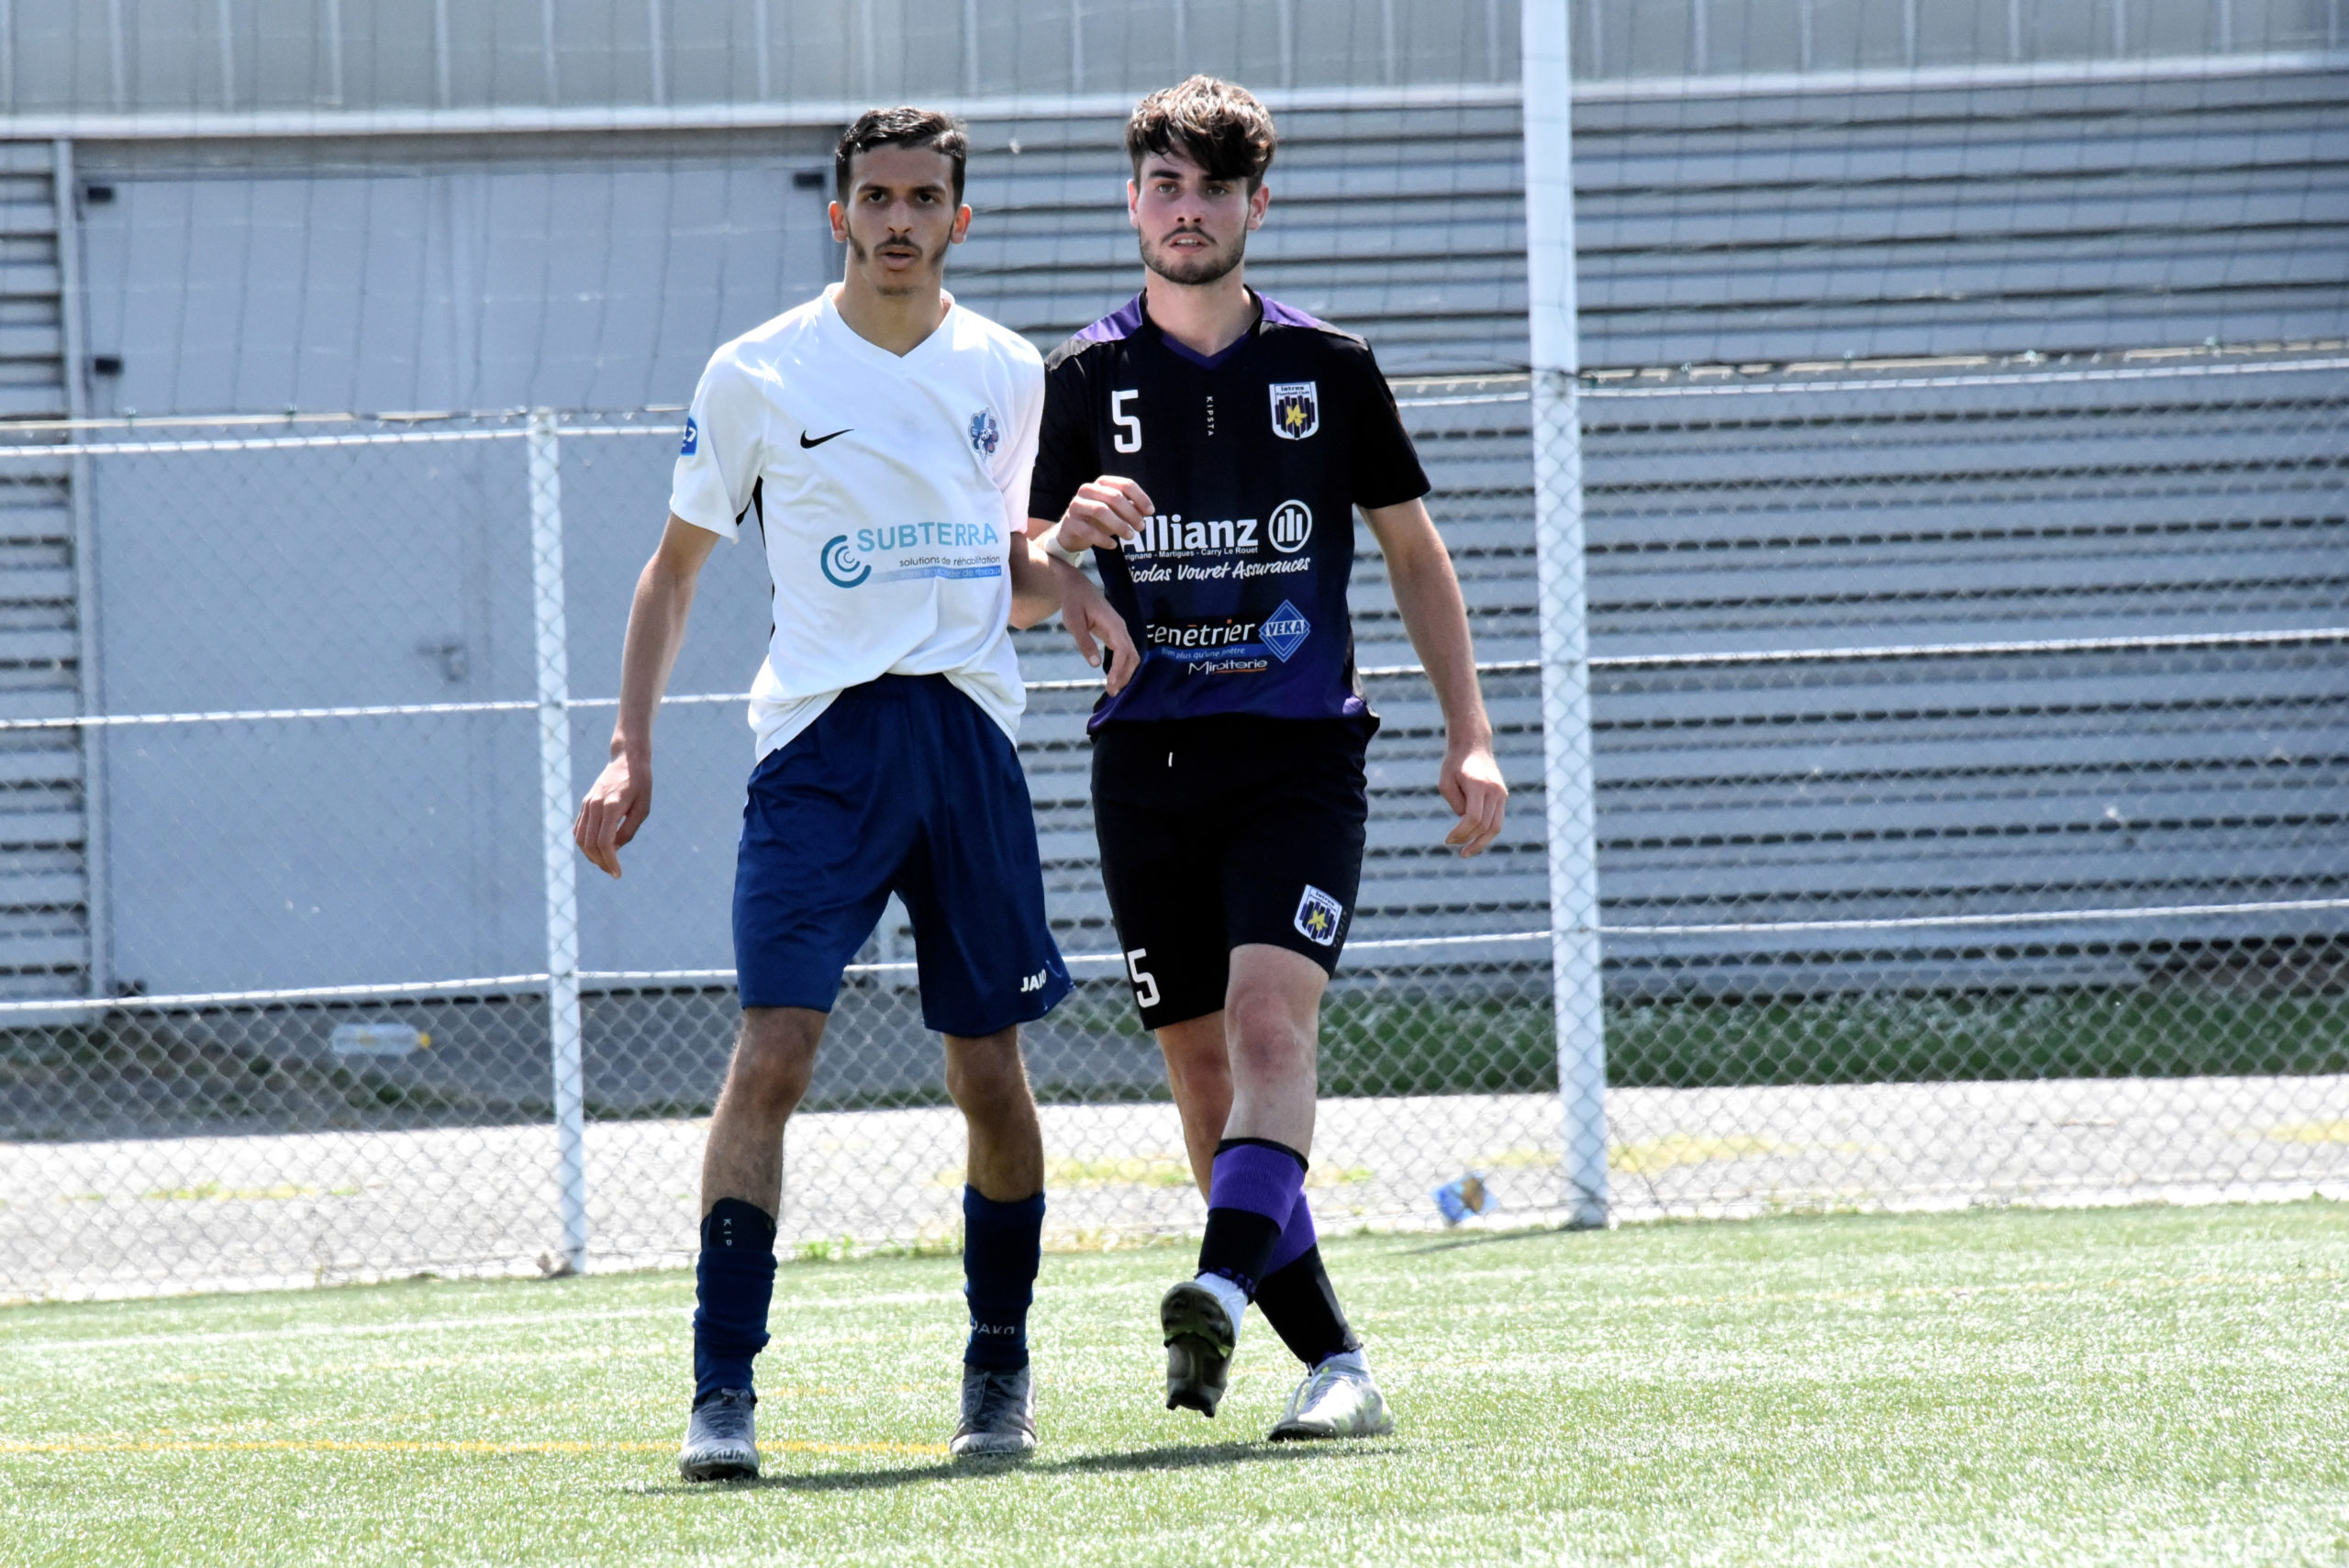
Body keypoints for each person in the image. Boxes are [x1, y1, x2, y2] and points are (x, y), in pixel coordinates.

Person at [573, 106, 1135, 1480]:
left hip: (966, 741)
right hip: (820, 754)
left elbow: (1001, 560)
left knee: (988, 1069)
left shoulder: (1007, 369)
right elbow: (673, 572)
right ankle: (721, 1389)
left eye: (923, 197)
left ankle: (998, 1367)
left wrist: (1068, 576)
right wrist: (630, 745)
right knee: (774, 1053)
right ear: (839, 215)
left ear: (959, 219)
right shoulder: (758, 371)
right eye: (875, 196)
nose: (898, 218)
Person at [1028, 76, 1508, 1440]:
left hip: (1298, 755)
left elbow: (1414, 553)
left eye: (1215, 189)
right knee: (1199, 1073)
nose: (1188, 211)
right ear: (1132, 203)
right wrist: (1063, 547)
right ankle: (1334, 1360)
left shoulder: (1330, 367)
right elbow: (1015, 590)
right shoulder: (1078, 380)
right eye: (1166, 187)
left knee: (1267, 1031)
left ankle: (1222, 1289)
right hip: (1145, 765)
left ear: (1257, 205)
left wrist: (1471, 731)